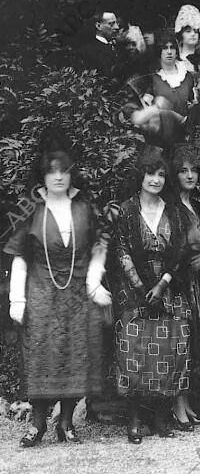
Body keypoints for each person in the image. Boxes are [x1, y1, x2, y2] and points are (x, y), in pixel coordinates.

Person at [4, 129, 111, 447]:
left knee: (77, 357)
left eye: (64, 172)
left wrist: (94, 281)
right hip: (41, 294)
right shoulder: (30, 210)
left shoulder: (84, 208)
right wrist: (17, 299)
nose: (59, 178)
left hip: (78, 293)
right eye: (52, 172)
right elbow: (20, 256)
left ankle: (66, 422)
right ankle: (37, 425)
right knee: (42, 358)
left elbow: (99, 247)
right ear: (43, 176)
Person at [110, 151, 191, 444]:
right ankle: (134, 418)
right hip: (135, 291)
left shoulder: (175, 210)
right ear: (140, 176)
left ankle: (160, 415)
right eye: (150, 174)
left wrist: (163, 284)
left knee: (168, 352)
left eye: (161, 175)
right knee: (134, 353)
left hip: (168, 288)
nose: (155, 180)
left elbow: (181, 251)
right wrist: (142, 286)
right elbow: (120, 250)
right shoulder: (127, 210)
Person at [171, 147, 200, 429]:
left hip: (198, 284)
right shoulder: (172, 207)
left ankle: (186, 403)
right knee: (180, 343)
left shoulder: (197, 203)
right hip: (179, 284)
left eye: (193, 170)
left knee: (195, 342)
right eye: (184, 170)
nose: (189, 175)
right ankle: (177, 406)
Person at [143, 30, 194, 117]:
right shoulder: (152, 78)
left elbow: (192, 104)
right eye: (165, 48)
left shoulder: (187, 77)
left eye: (172, 47)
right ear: (159, 51)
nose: (169, 52)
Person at [78, 11, 120, 77]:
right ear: (98, 26)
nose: (117, 27)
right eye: (111, 24)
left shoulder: (119, 46)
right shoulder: (88, 51)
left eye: (117, 23)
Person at [174, 4, 200, 73]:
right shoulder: (174, 59)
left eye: (195, 31)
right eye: (188, 31)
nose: (193, 34)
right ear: (180, 34)